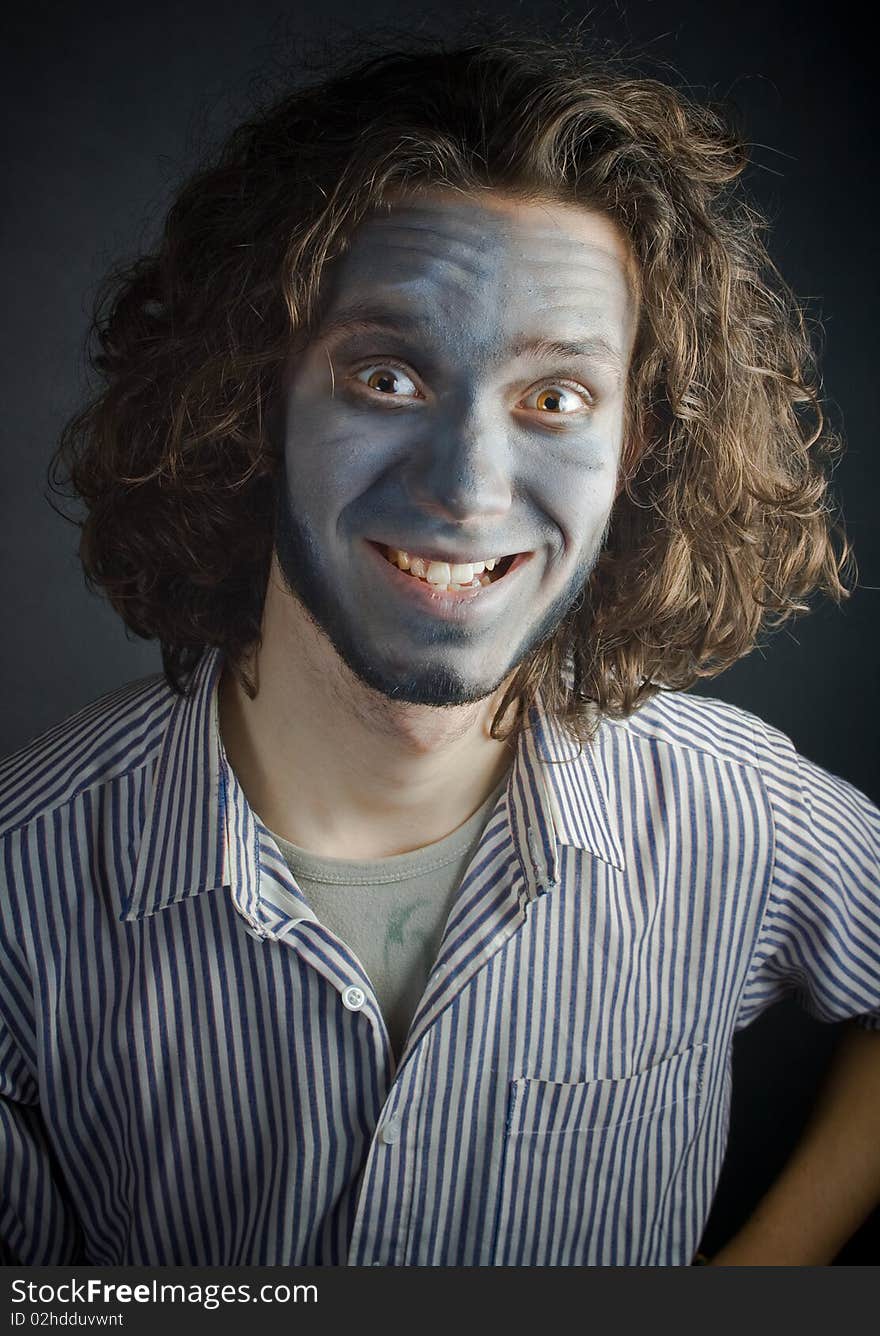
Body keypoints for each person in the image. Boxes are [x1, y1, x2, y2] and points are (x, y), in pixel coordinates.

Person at [1, 37, 878, 1268]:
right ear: (254, 395)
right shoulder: (18, 884)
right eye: (388, 374)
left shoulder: (743, 809)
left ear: (639, 443)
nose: (467, 489)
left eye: (556, 397)